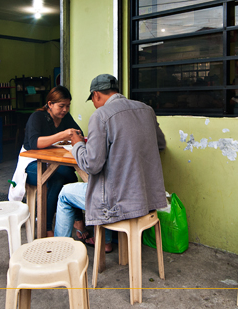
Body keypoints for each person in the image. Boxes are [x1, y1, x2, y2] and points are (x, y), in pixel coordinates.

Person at [54, 74, 167, 251]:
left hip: (117, 202)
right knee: (101, 184)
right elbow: (161, 144)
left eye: (92, 99)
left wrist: (77, 144)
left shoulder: (101, 115)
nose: (94, 103)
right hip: (146, 198)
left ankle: (58, 251)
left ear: (96, 95)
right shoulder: (146, 110)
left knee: (65, 193)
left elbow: (92, 165)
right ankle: (105, 242)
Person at [8, 86, 86, 237]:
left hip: (50, 161)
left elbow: (77, 132)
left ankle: (78, 220)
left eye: (68, 106)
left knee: (70, 174)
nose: (65, 110)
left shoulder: (65, 117)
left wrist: (75, 135)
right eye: (61, 106)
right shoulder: (37, 117)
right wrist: (62, 135)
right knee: (56, 179)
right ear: (50, 104)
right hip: (30, 163)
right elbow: (35, 142)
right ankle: (46, 227)